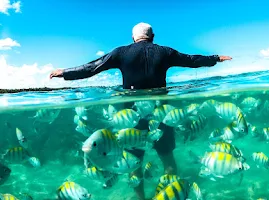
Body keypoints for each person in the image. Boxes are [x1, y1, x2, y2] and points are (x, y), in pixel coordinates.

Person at [50, 22, 232, 199]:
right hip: (161, 114)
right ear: (152, 37)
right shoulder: (165, 52)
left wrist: (65, 72)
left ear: (132, 38)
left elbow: (92, 67)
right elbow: (191, 60)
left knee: (133, 165)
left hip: (132, 117)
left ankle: (141, 198)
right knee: (168, 159)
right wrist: (215, 58)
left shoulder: (121, 52)